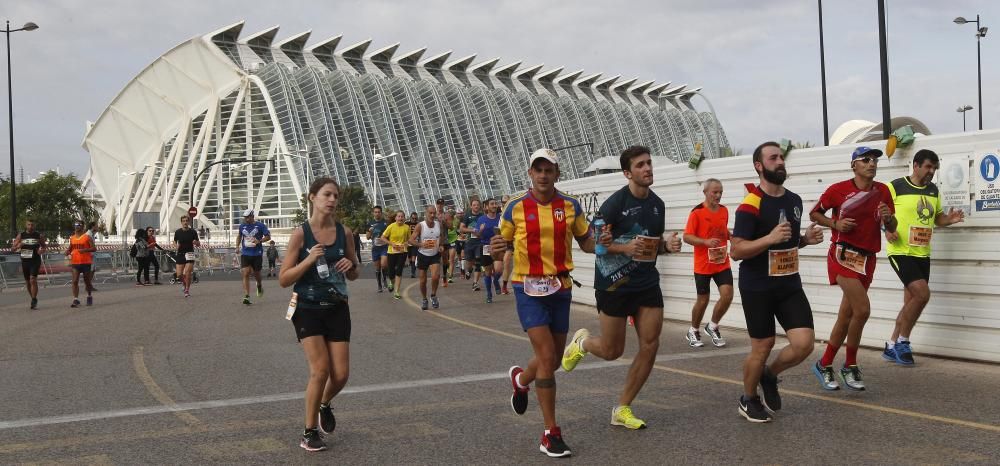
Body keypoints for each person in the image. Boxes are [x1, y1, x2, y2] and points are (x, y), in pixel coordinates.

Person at [561, 145, 682, 430]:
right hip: (613, 284)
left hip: (646, 282)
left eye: (649, 163)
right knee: (612, 350)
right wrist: (623, 246)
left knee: (650, 345)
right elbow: (593, 245)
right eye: (640, 165)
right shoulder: (614, 204)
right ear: (628, 173)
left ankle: (623, 408)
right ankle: (583, 343)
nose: (648, 168)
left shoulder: (658, 205)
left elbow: (649, 248)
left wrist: (667, 246)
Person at [490, 148, 596, 458]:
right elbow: (500, 246)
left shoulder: (571, 206)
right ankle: (551, 432)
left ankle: (521, 380)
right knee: (548, 354)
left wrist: (599, 240)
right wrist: (496, 251)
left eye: (548, 169)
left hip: (560, 286)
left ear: (557, 174)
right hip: (527, 287)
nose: (543, 175)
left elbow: (587, 243)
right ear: (530, 173)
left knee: (552, 359)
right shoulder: (515, 207)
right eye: (538, 169)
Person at [730, 141, 824, 422]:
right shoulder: (750, 204)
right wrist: (769, 238)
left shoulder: (793, 201)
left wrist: (805, 240)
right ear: (759, 166)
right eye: (773, 158)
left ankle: (769, 375)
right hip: (757, 285)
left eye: (781, 157)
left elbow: (789, 242)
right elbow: (736, 251)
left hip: (788, 284)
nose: (780, 161)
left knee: (804, 343)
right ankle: (748, 399)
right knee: (763, 345)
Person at [279, 177, 360, 452]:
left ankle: (324, 403)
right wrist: (309, 259)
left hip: (338, 307)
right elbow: (284, 279)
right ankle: (309, 432)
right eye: (327, 194)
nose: (333, 200)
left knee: (341, 375)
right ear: (312, 197)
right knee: (320, 370)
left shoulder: (344, 232)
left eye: (336, 196)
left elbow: (355, 272)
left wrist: (351, 265)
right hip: (307, 308)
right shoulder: (300, 234)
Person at [810, 146, 897, 391]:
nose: (872, 163)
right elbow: (815, 213)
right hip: (842, 255)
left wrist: (889, 217)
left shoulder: (883, 191)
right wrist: (834, 223)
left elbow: (891, 225)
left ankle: (825, 363)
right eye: (866, 160)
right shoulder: (838, 190)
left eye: (875, 160)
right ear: (854, 165)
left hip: (867, 259)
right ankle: (850, 364)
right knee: (863, 310)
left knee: (846, 315)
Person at [880, 149, 965, 365]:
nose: (931, 172)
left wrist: (949, 219)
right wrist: (887, 230)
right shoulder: (895, 186)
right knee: (922, 295)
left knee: (911, 301)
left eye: (935, 168)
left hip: (922, 253)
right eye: (928, 167)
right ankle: (903, 342)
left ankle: (891, 346)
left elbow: (936, 218)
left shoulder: (933, 190)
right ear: (915, 165)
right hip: (901, 251)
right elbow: (879, 214)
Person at [683, 178, 734, 347]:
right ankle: (693, 330)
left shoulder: (724, 211)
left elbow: (722, 228)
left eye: (720, 192)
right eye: (715, 192)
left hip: (721, 261)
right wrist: (705, 242)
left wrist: (730, 236)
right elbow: (687, 236)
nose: (718, 195)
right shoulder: (697, 213)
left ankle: (712, 326)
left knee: (727, 295)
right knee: (703, 300)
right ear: (705, 192)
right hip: (703, 264)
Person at [410, 205, 447, 309]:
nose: (432, 215)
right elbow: (411, 240)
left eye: (434, 213)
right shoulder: (420, 226)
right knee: (423, 281)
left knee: (436, 276)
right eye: (430, 213)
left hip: (434, 255)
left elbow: (441, 236)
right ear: (425, 214)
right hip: (423, 255)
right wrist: (421, 245)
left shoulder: (438, 225)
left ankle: (433, 295)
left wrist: (441, 245)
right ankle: (424, 299)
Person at [237, 210, 272, 305]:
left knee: (257, 274)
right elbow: (239, 236)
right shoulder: (242, 226)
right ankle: (247, 296)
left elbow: (268, 237)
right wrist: (237, 247)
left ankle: (259, 285)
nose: (246, 219)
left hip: (257, 253)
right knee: (245, 273)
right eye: (245, 217)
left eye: (248, 217)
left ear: (252, 216)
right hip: (245, 253)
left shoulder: (260, 225)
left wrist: (259, 241)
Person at [12, 219, 46, 310]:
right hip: (25, 261)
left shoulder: (38, 235)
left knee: (32, 279)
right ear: (26, 225)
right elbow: (13, 249)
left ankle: (34, 299)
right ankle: (33, 298)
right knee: (27, 282)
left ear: (34, 226)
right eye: (29, 224)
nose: (30, 226)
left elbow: (44, 246)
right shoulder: (21, 235)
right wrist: (18, 246)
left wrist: (41, 250)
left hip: (35, 260)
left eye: (32, 225)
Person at [477, 198, 503, 303]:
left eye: (495, 203)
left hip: (497, 246)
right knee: (488, 272)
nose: (494, 205)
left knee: (498, 270)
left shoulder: (501, 218)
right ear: (487, 207)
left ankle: (496, 281)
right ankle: (489, 293)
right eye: (492, 204)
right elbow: (477, 234)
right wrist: (481, 230)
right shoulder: (481, 219)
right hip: (486, 246)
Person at [66, 220, 97, 308]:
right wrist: (67, 251)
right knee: (75, 281)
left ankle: (89, 295)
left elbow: (94, 248)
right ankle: (76, 299)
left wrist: (84, 250)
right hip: (75, 262)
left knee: (87, 281)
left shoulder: (87, 237)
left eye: (79, 225)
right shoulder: (72, 238)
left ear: (83, 227)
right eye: (76, 225)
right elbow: (71, 248)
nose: (77, 226)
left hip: (86, 262)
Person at [382, 210, 411, 300]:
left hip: (402, 252)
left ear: (404, 218)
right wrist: (391, 244)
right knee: (391, 272)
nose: (400, 218)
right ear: (395, 218)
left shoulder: (407, 227)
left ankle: (396, 291)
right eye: (398, 216)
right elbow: (383, 237)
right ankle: (391, 281)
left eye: (402, 216)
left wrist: (405, 244)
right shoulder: (391, 226)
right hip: (392, 252)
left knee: (399, 271)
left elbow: (409, 240)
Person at [173, 215, 200, 298]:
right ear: (181, 222)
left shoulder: (193, 232)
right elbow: (174, 241)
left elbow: (198, 244)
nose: (185, 222)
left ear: (188, 222)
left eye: (186, 221)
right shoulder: (178, 232)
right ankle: (184, 284)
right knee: (179, 275)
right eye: (183, 221)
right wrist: (175, 246)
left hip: (190, 254)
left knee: (187, 273)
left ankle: (187, 290)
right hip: (180, 254)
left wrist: (196, 243)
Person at [367, 206, 390, 292]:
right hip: (375, 248)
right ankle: (379, 285)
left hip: (384, 247)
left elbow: (389, 234)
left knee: (384, 264)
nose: (377, 213)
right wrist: (370, 231)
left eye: (378, 212)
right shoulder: (370, 223)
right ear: (373, 213)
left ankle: (384, 279)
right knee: (377, 268)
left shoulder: (385, 223)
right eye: (375, 212)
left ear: (381, 213)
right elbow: (368, 237)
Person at [461, 199, 483, 287]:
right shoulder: (467, 216)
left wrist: (481, 231)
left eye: (477, 205)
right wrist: (472, 230)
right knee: (469, 263)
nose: (476, 206)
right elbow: (462, 228)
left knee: (478, 261)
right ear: (471, 206)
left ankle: (475, 283)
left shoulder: (482, 216)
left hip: (480, 242)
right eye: (474, 205)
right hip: (469, 242)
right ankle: (469, 271)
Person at [499, 194, 514, 294]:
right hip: (508, 244)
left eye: (508, 202)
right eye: (504, 203)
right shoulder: (501, 216)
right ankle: (504, 285)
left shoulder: (516, 212)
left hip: (519, 242)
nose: (506, 204)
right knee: (506, 262)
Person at [406, 212, 420, 278]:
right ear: (410, 218)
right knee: (410, 258)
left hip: (415, 242)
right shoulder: (406, 224)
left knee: (413, 257)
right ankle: (412, 267)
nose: (414, 219)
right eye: (413, 218)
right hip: (408, 243)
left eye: (415, 218)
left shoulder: (419, 224)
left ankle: (413, 272)